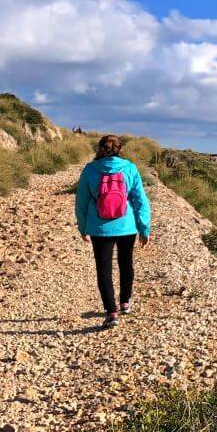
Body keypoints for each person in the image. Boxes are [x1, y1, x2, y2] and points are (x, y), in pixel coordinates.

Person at [75, 135, 151, 327]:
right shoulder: (130, 168)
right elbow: (140, 200)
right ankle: (125, 302)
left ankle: (111, 312)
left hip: (99, 228)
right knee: (126, 264)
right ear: (119, 149)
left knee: (104, 269)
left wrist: (83, 227)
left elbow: (81, 202)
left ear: (99, 149)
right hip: (127, 226)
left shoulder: (90, 170)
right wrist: (144, 228)